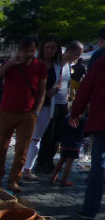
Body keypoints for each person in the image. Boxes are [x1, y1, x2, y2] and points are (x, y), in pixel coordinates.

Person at [0, 35, 47, 192]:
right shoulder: (10, 64)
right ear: (19, 50)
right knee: (2, 145)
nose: (28, 54)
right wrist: (11, 63)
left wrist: (37, 111)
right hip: (6, 111)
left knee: (22, 149)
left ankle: (14, 179)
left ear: (35, 51)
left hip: (28, 114)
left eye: (31, 51)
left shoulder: (40, 67)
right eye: (25, 50)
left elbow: (42, 91)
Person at [33, 41, 84, 176]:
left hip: (62, 103)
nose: (78, 57)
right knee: (48, 134)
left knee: (58, 135)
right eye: (77, 54)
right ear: (71, 51)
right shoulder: (57, 62)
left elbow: (65, 84)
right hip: (52, 102)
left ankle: (49, 160)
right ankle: (41, 161)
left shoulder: (68, 65)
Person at [22, 35, 62, 180]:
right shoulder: (34, 62)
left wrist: (55, 89)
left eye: (53, 48)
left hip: (46, 105)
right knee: (25, 137)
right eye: (48, 47)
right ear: (42, 48)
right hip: (30, 104)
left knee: (36, 138)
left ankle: (27, 168)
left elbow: (59, 82)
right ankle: (19, 167)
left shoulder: (58, 66)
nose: (50, 50)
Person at [73, 56, 105, 219]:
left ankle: (90, 209)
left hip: (102, 121)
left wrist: (76, 112)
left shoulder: (101, 61)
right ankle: (90, 208)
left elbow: (85, 89)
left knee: (98, 166)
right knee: (98, 166)